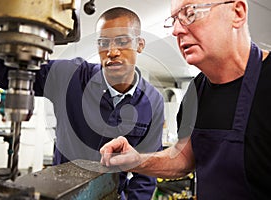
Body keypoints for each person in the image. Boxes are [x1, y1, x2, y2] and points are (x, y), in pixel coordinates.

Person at [0, 3, 165, 200]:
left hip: (112, 194)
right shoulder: (68, 76)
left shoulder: (153, 101)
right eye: (103, 43)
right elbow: (4, 73)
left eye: (122, 41)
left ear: (140, 44)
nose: (112, 51)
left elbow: (146, 173)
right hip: (60, 193)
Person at [100, 0, 271, 199]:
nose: (176, 30)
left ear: (237, 12)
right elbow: (183, 157)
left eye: (190, 13)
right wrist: (136, 161)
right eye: (174, 20)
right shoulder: (196, 91)